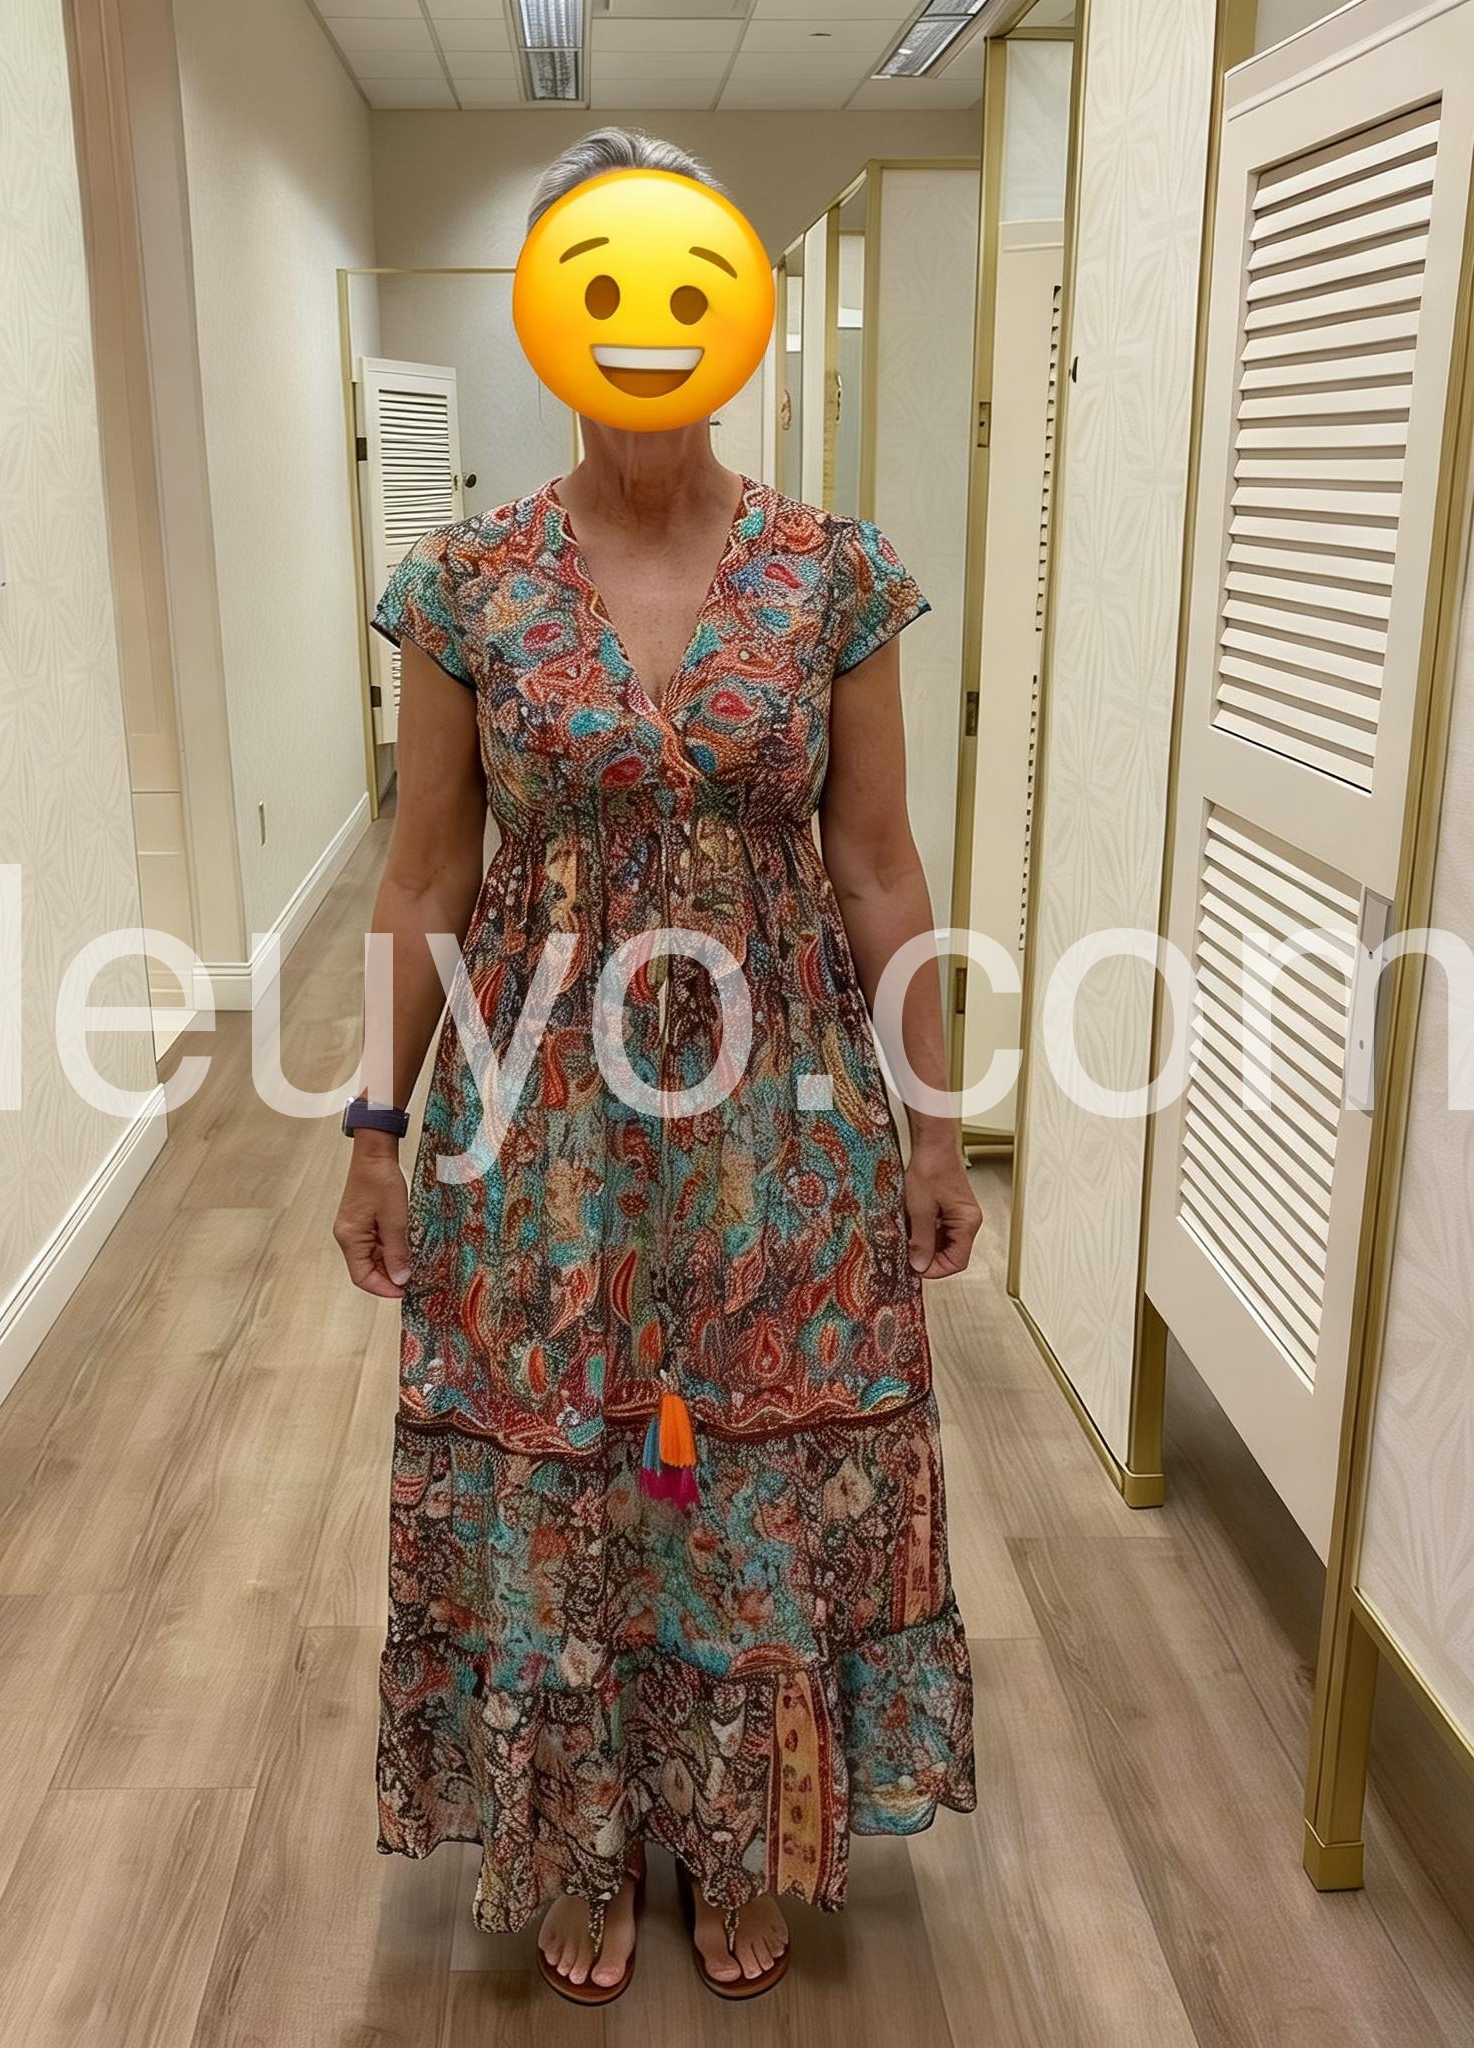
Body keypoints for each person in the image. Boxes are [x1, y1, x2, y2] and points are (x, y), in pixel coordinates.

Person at [334, 127, 978, 2006]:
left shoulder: (831, 576)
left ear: (736, 310)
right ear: (550, 315)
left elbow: (879, 861)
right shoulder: (467, 586)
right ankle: (583, 1831)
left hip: (782, 1115)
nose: (643, 325)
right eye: (600, 282)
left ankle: (740, 1830)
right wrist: (373, 1125)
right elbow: (424, 871)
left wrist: (937, 1126)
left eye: (684, 281)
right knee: (574, 1473)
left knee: (757, 1469)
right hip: (537, 1112)